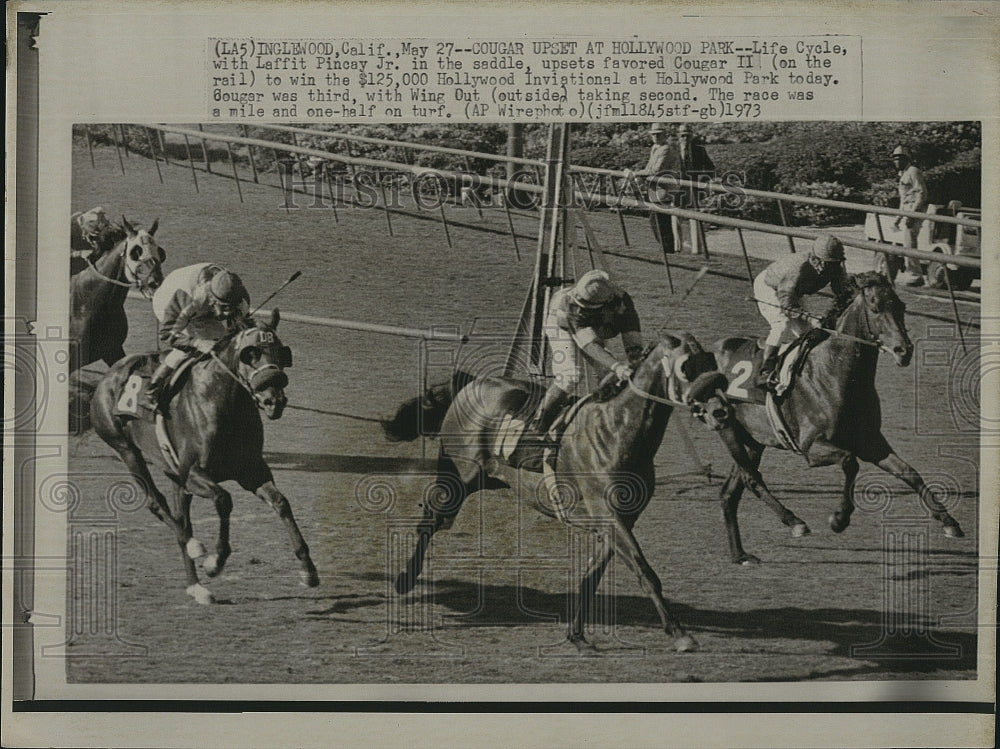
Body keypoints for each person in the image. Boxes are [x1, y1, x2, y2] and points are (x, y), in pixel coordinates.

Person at [525, 269, 643, 438]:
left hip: (593, 327)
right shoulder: (572, 305)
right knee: (571, 375)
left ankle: (604, 424)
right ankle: (539, 422)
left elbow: (631, 334)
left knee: (607, 375)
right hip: (561, 326)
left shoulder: (622, 301)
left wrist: (635, 360)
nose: (583, 308)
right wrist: (617, 366)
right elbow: (589, 345)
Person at [145, 264, 251, 408]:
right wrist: (197, 343)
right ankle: (153, 389)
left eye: (232, 308)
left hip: (204, 305)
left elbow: (241, 323)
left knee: (226, 342)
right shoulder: (191, 300)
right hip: (169, 302)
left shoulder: (240, 297)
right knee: (188, 350)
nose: (226, 314)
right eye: (224, 308)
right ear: (212, 300)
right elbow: (167, 334)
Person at [754, 234, 851, 387]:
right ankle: (766, 370)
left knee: (807, 333)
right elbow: (787, 304)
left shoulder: (833, 267)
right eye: (829, 264)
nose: (833, 268)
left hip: (794, 293)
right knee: (782, 324)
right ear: (815, 260)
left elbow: (843, 294)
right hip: (771, 288)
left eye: (836, 263)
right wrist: (809, 317)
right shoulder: (797, 269)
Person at [627, 123, 684, 255]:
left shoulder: (666, 149)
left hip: (665, 189)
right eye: (653, 135)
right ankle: (666, 250)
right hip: (656, 189)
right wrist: (641, 172)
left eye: (658, 134)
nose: (656, 137)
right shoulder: (655, 148)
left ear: (665, 135)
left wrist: (636, 173)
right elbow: (649, 168)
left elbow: (655, 170)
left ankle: (668, 250)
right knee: (656, 219)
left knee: (660, 220)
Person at [891, 145, 929, 286]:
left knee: (910, 243)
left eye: (900, 158)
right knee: (907, 243)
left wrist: (912, 215)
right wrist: (898, 218)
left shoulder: (913, 171)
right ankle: (911, 272)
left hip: (914, 210)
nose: (897, 161)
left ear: (907, 159)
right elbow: (903, 198)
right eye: (895, 158)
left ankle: (915, 275)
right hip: (906, 210)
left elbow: (921, 193)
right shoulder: (903, 174)